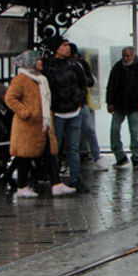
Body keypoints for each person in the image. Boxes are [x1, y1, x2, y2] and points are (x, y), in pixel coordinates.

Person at [4, 50, 76, 198]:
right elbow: (10, 98)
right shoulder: (21, 79)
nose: (40, 62)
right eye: (37, 60)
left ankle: (56, 184)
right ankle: (22, 186)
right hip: (28, 126)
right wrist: (25, 112)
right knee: (25, 155)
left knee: (50, 154)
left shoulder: (40, 79)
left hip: (43, 125)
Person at [42, 36, 88, 191]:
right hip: (57, 112)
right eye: (63, 45)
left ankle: (75, 178)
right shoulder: (49, 68)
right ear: (56, 49)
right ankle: (55, 179)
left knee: (73, 146)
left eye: (68, 45)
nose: (67, 48)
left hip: (74, 110)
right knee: (55, 147)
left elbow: (83, 85)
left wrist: (80, 102)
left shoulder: (75, 66)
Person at [106, 46, 138, 168]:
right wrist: (110, 102)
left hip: (134, 105)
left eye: (128, 55)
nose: (125, 58)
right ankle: (121, 155)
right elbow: (111, 86)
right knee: (115, 130)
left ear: (133, 55)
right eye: (124, 55)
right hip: (121, 104)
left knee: (134, 132)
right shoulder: (118, 68)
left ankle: (135, 156)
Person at [71, 44, 106, 171]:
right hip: (73, 104)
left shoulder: (81, 64)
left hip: (81, 103)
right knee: (76, 133)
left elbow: (90, 81)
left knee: (88, 130)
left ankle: (96, 156)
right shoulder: (69, 65)